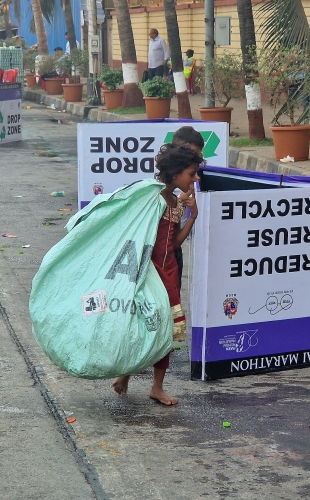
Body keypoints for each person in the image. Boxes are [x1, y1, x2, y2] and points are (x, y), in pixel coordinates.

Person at [112, 144, 203, 406]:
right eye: (191, 173)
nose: (195, 178)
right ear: (175, 174)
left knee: (165, 330)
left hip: (169, 273)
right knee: (141, 326)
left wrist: (192, 216)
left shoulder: (173, 201)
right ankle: (126, 373)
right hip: (148, 273)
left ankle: (157, 387)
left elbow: (173, 244)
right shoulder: (152, 200)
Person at [170, 125, 205, 310]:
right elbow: (174, 242)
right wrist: (186, 210)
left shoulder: (183, 188)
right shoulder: (162, 196)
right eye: (191, 174)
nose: (195, 178)